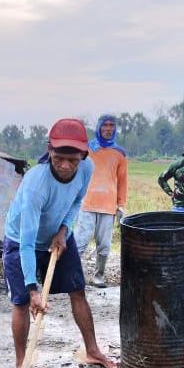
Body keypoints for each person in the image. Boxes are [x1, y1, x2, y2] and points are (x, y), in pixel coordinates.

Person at [3, 118, 117, 368]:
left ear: (83, 155)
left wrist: (64, 230)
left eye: (72, 160)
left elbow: (76, 201)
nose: (65, 166)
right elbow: (27, 242)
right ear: (49, 151)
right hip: (22, 241)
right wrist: (33, 289)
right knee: (21, 302)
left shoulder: (87, 167)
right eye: (59, 159)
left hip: (59, 234)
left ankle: (92, 350)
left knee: (78, 289)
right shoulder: (35, 184)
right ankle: (21, 365)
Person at [74, 114, 128, 288]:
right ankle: (73, 276)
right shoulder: (87, 149)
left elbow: (122, 180)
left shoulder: (119, 153)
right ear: (99, 127)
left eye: (112, 125)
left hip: (108, 205)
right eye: (105, 125)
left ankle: (99, 276)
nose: (108, 129)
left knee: (104, 245)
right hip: (87, 203)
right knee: (80, 242)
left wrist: (121, 204)